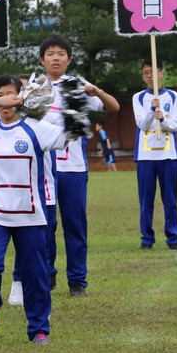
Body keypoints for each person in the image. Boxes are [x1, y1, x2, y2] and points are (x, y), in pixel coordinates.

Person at [0, 74, 65, 342]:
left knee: (35, 274)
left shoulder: (35, 128)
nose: (6, 102)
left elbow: (69, 134)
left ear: (22, 97)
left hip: (31, 215)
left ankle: (39, 329)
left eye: (11, 95)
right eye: (0, 96)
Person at [37, 36, 119, 297]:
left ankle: (77, 281)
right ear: (42, 59)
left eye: (61, 53)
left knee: (75, 226)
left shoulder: (78, 86)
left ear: (69, 59)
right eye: (50, 54)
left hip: (73, 168)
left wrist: (97, 92)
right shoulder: (35, 88)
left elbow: (113, 107)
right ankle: (47, 275)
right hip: (43, 170)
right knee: (44, 226)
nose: (56, 58)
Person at [133, 60, 177, 250]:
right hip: (146, 156)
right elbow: (142, 125)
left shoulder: (173, 96)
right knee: (146, 200)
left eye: (153, 72)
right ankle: (146, 238)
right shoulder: (138, 98)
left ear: (161, 73)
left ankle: (173, 238)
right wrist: (151, 110)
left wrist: (162, 117)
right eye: (145, 72)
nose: (149, 76)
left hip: (168, 155)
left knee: (170, 199)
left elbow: (175, 125)